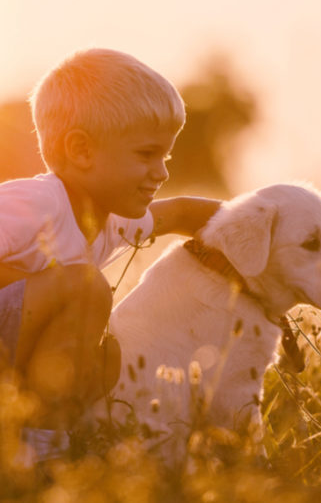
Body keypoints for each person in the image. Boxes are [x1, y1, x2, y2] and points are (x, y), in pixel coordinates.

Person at [0, 48, 221, 435]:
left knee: (108, 359)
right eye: (147, 154)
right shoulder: (36, 203)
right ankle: (40, 446)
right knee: (85, 290)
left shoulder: (112, 222)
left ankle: (41, 435)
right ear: (82, 150)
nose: (163, 172)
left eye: (166, 155)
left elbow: (184, 213)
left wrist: (264, 223)